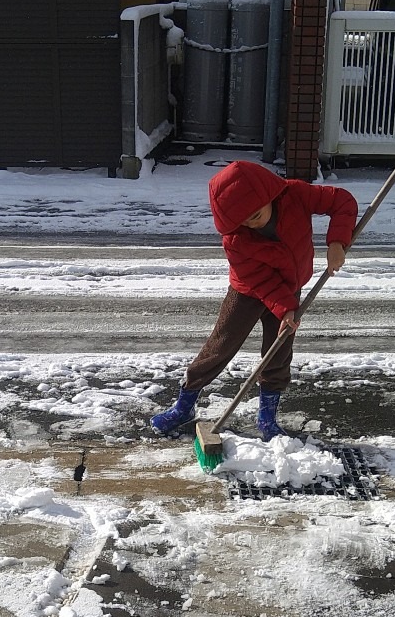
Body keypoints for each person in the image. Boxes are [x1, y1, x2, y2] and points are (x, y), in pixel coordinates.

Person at [150, 159, 358, 440]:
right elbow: (260, 279)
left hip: (292, 285)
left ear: (268, 195)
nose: (252, 222)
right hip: (248, 291)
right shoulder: (235, 239)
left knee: (278, 350)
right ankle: (184, 404)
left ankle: (267, 417)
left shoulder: (295, 194)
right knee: (221, 345)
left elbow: (342, 202)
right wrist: (284, 307)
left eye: (256, 213)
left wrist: (337, 243)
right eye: (244, 219)